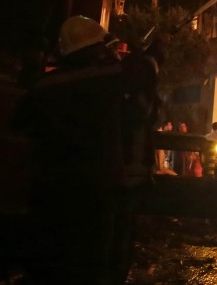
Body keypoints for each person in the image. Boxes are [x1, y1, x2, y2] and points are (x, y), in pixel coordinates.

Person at [13, 15, 146, 285]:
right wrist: (151, 52)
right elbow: (138, 103)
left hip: (49, 190)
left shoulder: (43, 86)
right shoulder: (109, 79)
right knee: (93, 264)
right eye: (103, 47)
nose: (108, 52)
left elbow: (19, 122)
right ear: (92, 50)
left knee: (49, 264)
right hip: (96, 189)